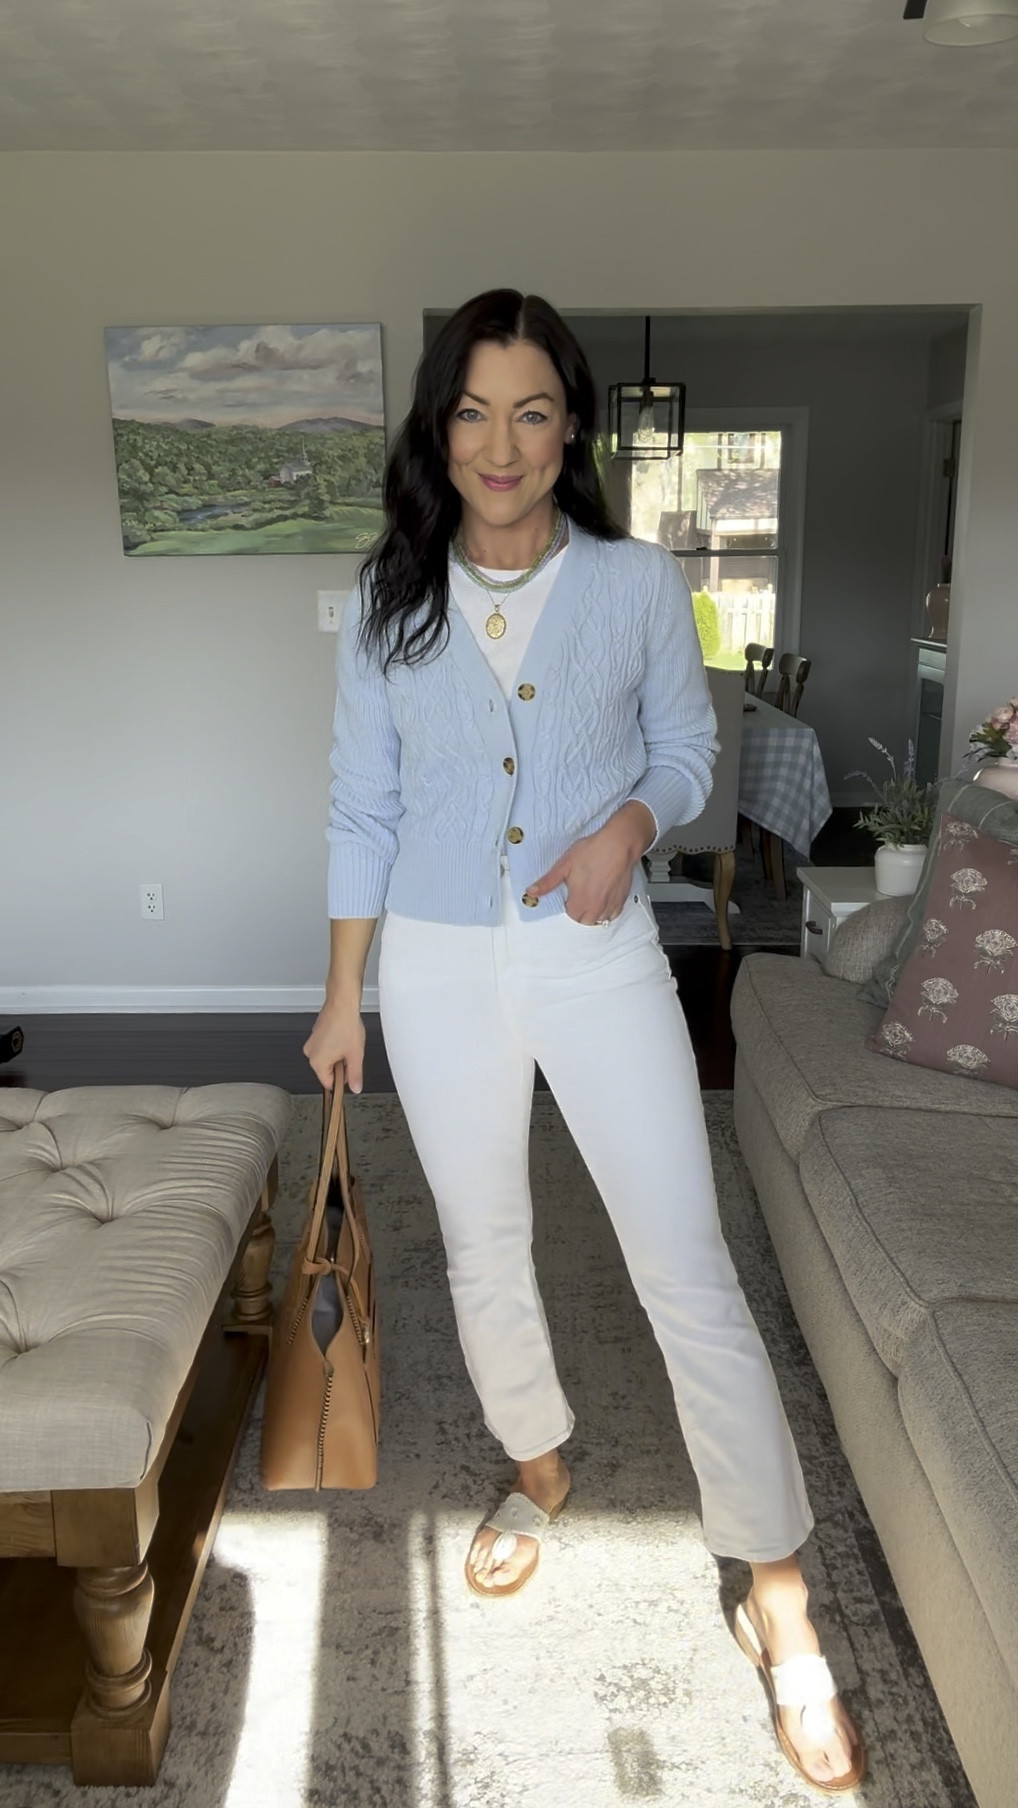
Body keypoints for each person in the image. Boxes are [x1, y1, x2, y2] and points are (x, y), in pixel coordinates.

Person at [304, 289, 865, 1793]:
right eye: (473, 411)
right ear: (440, 428)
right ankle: (540, 1464)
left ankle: (778, 1593)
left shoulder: (631, 581)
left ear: (572, 429)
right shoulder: (387, 597)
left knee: (684, 1262)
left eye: (532, 410)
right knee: (482, 1243)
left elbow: (689, 749)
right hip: (426, 961)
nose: (501, 442)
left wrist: (625, 823)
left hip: (598, 954)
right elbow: (361, 806)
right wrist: (344, 990)